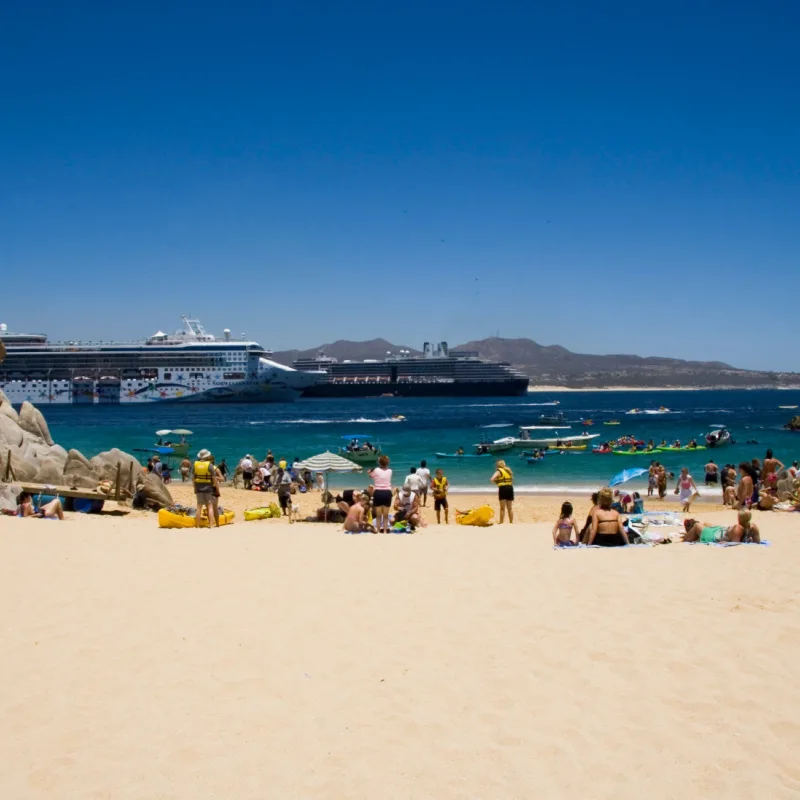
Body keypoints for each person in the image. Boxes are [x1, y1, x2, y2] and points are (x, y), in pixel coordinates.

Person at [193, 449, 219, 527]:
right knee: (210, 506)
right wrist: (217, 488)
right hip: (208, 488)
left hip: (198, 488)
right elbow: (214, 479)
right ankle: (211, 524)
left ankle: (197, 525)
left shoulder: (195, 465)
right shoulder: (209, 465)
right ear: (207, 456)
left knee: (199, 507)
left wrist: (195, 488)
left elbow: (193, 478)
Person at [369, 455, 393, 534]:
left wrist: (369, 472)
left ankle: (378, 530)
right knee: (385, 515)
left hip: (378, 492)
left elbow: (371, 476)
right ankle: (385, 531)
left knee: (378, 515)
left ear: (379, 462)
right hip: (387, 492)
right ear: (387, 463)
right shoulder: (390, 471)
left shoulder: (375, 470)